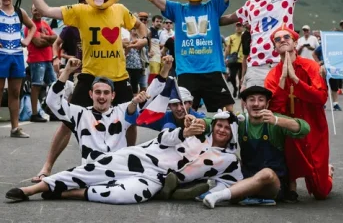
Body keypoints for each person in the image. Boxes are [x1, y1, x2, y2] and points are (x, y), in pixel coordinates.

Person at [24, 0, 148, 181]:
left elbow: (140, 26)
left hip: (119, 77)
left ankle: (130, 163)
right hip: (89, 76)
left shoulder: (120, 10)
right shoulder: (80, 11)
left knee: (130, 121)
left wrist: (142, 39)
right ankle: (47, 166)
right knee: (67, 122)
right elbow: (45, 10)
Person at [6, 109, 243, 204]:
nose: (221, 130)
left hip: (157, 179)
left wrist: (208, 192)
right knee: (92, 170)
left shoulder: (229, 159)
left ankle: (66, 193)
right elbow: (163, 139)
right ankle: (34, 190)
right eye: (219, 125)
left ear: (232, 132)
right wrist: (184, 131)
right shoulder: (196, 133)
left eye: (226, 128)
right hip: (142, 157)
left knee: (125, 195)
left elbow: (231, 184)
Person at [141, 0, 261, 112]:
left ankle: (228, 139)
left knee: (229, 112)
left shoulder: (213, 6)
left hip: (212, 70)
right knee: (185, 115)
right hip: (186, 72)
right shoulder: (177, 9)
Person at [203, 86, 310, 208]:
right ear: (244, 103)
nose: (256, 104)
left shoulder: (274, 120)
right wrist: (199, 123)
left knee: (267, 173)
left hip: (273, 184)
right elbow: (214, 122)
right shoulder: (241, 120)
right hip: (246, 178)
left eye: (261, 100)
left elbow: (305, 128)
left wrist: (277, 120)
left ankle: (219, 195)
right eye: (251, 100)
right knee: (229, 158)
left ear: (267, 103)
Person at [265, 25, 332, 200]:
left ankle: (327, 173)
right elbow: (275, 110)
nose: (282, 41)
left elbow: (320, 98)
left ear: (295, 42)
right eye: (277, 39)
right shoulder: (273, 74)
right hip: (288, 130)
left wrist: (295, 79)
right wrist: (283, 79)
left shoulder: (310, 66)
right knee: (290, 163)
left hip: (313, 125)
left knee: (321, 192)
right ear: (274, 47)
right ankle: (291, 180)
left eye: (286, 37)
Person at [45, 58, 152, 162]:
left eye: (106, 93)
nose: (102, 96)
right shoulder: (80, 114)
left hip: (119, 172)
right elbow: (52, 101)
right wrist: (67, 71)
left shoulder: (122, 111)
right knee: (50, 180)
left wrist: (165, 70)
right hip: (90, 173)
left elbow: (152, 96)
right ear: (91, 94)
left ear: (113, 95)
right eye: (98, 92)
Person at [0, 0, 36, 138]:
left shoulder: (19, 12)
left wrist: (27, 41)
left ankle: (15, 128)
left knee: (15, 92)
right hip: (1, 56)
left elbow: (32, 26)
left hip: (17, 56)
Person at [25, 5, 58, 122]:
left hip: (48, 59)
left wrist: (44, 37)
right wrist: (49, 40)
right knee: (36, 85)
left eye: (39, 10)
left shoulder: (45, 24)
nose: (37, 12)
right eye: (35, 10)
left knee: (53, 85)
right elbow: (37, 43)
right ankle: (34, 114)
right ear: (31, 11)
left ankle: (53, 111)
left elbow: (55, 37)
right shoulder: (29, 26)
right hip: (36, 60)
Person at [135, 86, 205, 131]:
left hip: (193, 152)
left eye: (183, 103)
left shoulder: (200, 118)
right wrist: (134, 103)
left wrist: (199, 123)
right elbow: (135, 118)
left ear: (190, 104)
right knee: (169, 126)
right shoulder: (163, 117)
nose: (179, 108)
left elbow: (212, 125)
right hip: (169, 152)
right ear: (169, 106)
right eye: (174, 104)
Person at [52, 0, 86, 73]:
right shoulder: (70, 28)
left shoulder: (97, 24)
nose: (84, 6)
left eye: (86, 4)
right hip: (77, 70)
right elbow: (56, 44)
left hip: (95, 70)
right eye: (82, 4)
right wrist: (55, 58)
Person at [313, 44, 342, 111]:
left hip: (333, 69)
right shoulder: (323, 45)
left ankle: (335, 104)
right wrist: (318, 62)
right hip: (324, 68)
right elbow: (314, 54)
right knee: (323, 87)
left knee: (334, 87)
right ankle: (323, 103)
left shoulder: (336, 46)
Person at [225, 22, 244, 98]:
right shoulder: (231, 37)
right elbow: (228, 48)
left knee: (240, 78)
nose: (239, 28)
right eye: (237, 26)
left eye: (240, 26)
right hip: (233, 60)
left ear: (242, 27)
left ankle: (240, 90)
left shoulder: (245, 36)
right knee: (232, 77)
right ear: (235, 28)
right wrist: (226, 58)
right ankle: (235, 88)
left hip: (243, 60)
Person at [148, 15, 163, 83]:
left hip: (157, 58)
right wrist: (148, 52)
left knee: (157, 77)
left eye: (160, 22)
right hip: (152, 59)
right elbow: (146, 42)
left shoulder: (157, 32)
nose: (159, 23)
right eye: (157, 21)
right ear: (153, 22)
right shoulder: (150, 31)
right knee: (153, 78)